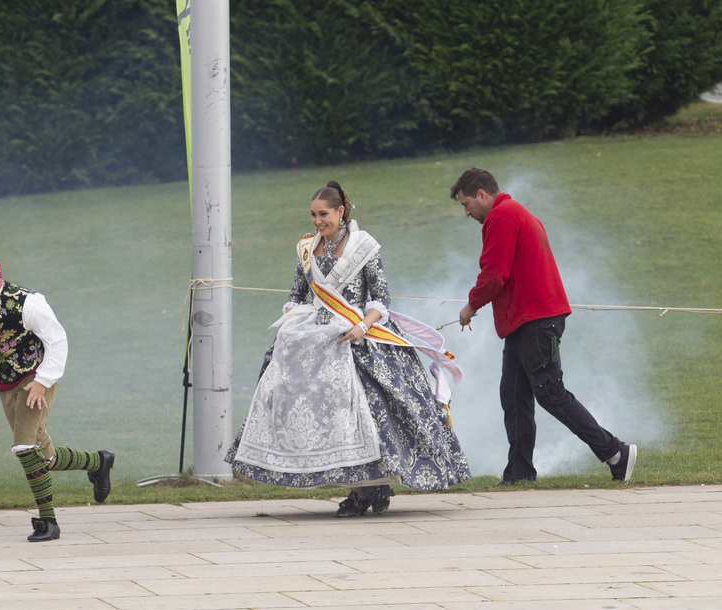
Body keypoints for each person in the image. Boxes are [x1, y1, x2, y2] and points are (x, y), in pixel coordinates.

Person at [225, 181, 470, 517]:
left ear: (341, 212)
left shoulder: (365, 248)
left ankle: (367, 488)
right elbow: (296, 296)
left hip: (361, 336)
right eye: (312, 215)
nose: (316, 221)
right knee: (316, 412)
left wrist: (362, 327)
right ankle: (362, 487)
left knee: (370, 414)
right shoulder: (307, 250)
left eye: (323, 214)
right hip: (317, 340)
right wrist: (293, 321)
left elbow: (381, 299)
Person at [450, 167, 637, 484]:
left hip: (535, 321)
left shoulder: (502, 216)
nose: (467, 213)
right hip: (526, 322)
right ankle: (520, 472)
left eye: (466, 204)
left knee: (550, 393)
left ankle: (616, 452)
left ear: (482, 195)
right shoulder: (514, 211)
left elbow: (494, 273)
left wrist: (471, 305)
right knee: (513, 395)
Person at [0, 252, 113, 542]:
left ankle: (48, 522)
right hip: (4, 384)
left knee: (25, 446)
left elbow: (57, 340)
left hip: (35, 377)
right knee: (45, 455)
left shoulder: (27, 302)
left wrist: (42, 381)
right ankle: (98, 462)